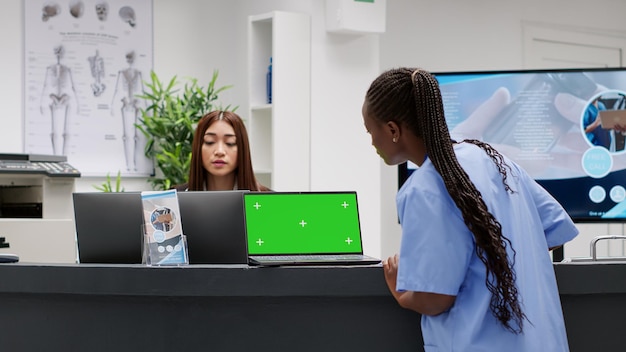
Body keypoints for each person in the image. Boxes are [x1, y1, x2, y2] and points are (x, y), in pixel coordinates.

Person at [362, 67, 579, 351]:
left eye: (370, 131)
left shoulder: (422, 189)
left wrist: (401, 292)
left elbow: (435, 299)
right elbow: (552, 230)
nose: (371, 143)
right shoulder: (495, 159)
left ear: (392, 130)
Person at [174, 110, 270, 192]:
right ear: (198, 148)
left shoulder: (269, 201)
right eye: (210, 142)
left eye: (230, 143)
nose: (219, 151)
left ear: (242, 149)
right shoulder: (174, 200)